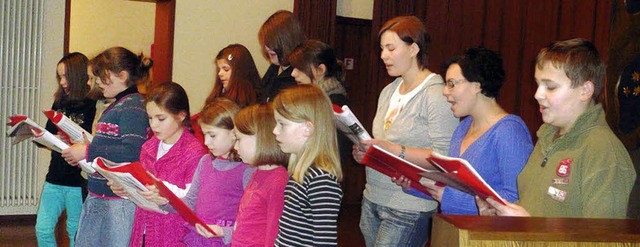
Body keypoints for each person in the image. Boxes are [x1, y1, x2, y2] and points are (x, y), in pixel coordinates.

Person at [476, 38, 636, 218]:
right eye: (538, 84)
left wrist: (529, 228)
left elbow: (604, 240)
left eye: (550, 87)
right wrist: (499, 215)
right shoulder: (546, 138)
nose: (537, 95)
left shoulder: (604, 152)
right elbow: (538, 211)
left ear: (585, 90)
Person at [351, 16, 458, 246]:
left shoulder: (435, 94)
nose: (383, 56)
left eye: (391, 48)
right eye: (382, 49)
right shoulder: (389, 91)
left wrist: (393, 149)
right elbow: (384, 142)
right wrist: (367, 154)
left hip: (408, 205)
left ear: (414, 49)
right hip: (373, 198)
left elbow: (445, 157)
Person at [394, 47, 534, 215]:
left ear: (477, 85)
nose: (445, 92)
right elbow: (455, 188)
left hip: (486, 237)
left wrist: (449, 198)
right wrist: (416, 185)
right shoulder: (463, 127)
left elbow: (516, 198)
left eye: (451, 84)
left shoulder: (509, 131)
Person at [61, 47, 152, 246]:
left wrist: (87, 151)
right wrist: (85, 157)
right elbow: (110, 149)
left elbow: (133, 152)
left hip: (117, 202)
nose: (97, 82)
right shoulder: (117, 104)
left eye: (101, 77)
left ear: (122, 76)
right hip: (98, 195)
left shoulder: (132, 106)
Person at [143, 98, 255, 246]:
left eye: (212, 135)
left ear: (233, 133)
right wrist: (164, 201)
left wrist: (224, 232)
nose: (206, 142)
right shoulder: (205, 162)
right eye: (205, 135)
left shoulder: (247, 169)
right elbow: (190, 203)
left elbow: (252, 220)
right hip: (199, 240)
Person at [127, 82, 208, 246]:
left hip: (174, 233)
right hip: (144, 227)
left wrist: (164, 194)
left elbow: (193, 201)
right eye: (150, 118)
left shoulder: (194, 153)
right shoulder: (148, 147)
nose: (153, 125)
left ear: (181, 115)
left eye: (161, 118)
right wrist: (125, 189)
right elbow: (142, 187)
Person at [36, 52, 96, 247]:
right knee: (42, 228)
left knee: (75, 231)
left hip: (78, 180)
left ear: (78, 75)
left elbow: (93, 140)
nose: (61, 82)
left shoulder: (93, 103)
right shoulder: (60, 102)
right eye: (59, 77)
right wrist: (49, 137)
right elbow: (47, 133)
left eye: (65, 76)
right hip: (55, 176)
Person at [272, 84, 343, 246]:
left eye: (282, 124)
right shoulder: (299, 175)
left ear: (307, 128)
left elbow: (325, 241)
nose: (275, 130)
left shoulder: (321, 181)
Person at [230, 103, 289, 246]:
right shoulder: (258, 172)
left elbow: (274, 233)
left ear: (261, 138)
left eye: (239, 139)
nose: (235, 147)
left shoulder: (278, 181)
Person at [287, 39, 352, 166]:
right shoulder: (309, 99)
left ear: (320, 70)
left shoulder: (335, 103)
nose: (293, 73)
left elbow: (336, 151)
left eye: (300, 68)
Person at [191, 44, 259, 142]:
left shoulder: (254, 105)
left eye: (226, 69)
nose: (220, 73)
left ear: (240, 71)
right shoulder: (217, 98)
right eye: (219, 69)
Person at [257, 10, 306, 102]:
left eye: (271, 42)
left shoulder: (299, 76)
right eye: (265, 42)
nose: (267, 47)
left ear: (288, 41)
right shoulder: (274, 68)